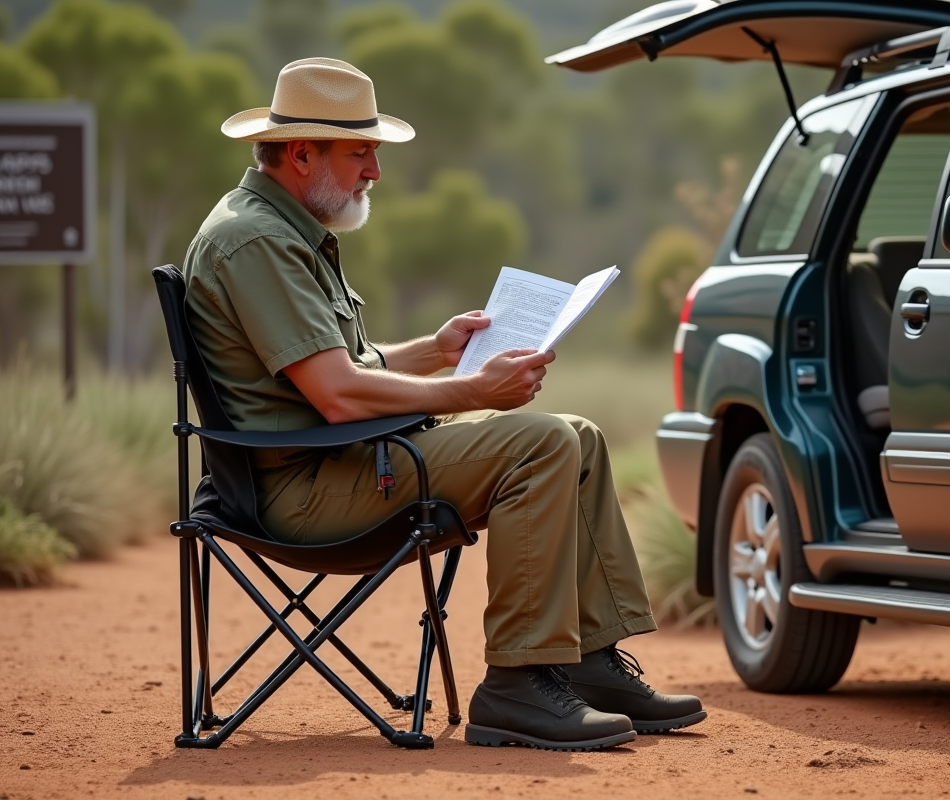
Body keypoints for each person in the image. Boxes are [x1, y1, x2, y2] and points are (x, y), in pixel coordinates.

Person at [181, 57, 705, 751]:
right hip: (302, 491)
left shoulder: (278, 230)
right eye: (361, 151)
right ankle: (518, 685)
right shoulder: (256, 242)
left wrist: (439, 347)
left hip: (341, 464)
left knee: (578, 434)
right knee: (541, 442)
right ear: (301, 153)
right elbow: (337, 396)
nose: (375, 171)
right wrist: (473, 390)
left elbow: (339, 370)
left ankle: (588, 662)